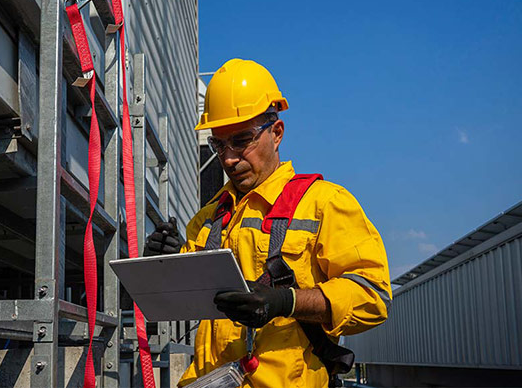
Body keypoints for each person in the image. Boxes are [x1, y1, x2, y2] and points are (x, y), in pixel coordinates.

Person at [144, 59, 392, 387]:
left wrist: (286, 302)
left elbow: (372, 295)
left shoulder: (323, 203)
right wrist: (165, 263)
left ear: (276, 133)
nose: (229, 158)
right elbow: (180, 302)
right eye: (219, 144)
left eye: (242, 139)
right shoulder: (207, 219)